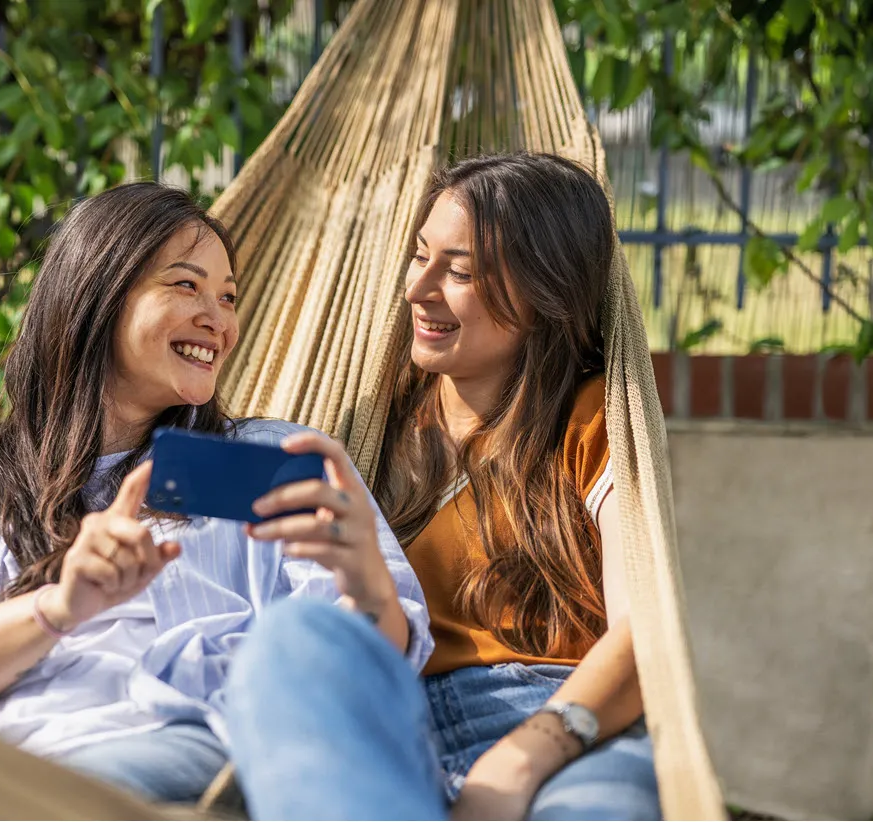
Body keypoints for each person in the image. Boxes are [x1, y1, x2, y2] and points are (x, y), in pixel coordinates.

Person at [0, 182, 432, 804]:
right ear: (97, 295)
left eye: (229, 297)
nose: (219, 318)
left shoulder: (270, 459)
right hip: (13, 764)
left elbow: (369, 667)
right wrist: (62, 606)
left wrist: (364, 583)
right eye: (186, 285)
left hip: (208, 752)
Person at [224, 153, 661, 820]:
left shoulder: (593, 419)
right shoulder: (370, 426)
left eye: (459, 272)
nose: (417, 288)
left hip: (561, 721)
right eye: (419, 255)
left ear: (543, 295)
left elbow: (645, 629)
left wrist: (521, 758)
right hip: (392, 720)